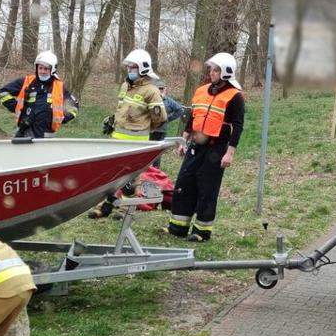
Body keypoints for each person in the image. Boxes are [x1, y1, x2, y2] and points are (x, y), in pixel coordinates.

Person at [168, 52, 245, 242]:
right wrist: (183, 140)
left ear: (226, 73)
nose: (211, 73)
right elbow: (193, 117)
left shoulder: (235, 96)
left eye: (216, 70)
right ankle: (178, 226)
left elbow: (238, 126)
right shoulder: (202, 91)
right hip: (196, 145)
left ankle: (202, 231)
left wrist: (230, 153)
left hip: (216, 148)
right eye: (211, 69)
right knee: (184, 184)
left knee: (207, 188)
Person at [90, 49, 167, 218]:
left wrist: (144, 129)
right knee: (110, 174)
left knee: (130, 179)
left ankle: (126, 210)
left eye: (133, 68)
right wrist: (113, 121)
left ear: (143, 69)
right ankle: (106, 205)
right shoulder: (125, 86)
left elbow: (160, 118)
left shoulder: (151, 91)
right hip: (117, 139)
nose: (129, 71)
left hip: (136, 142)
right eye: (129, 68)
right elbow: (122, 108)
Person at [0, 51, 79, 139]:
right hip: (24, 132)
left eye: (46, 69)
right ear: (36, 68)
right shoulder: (26, 81)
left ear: (52, 69)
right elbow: (4, 92)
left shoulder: (59, 86)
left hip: (47, 135)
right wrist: (15, 107)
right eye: (40, 68)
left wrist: (61, 118)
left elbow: (73, 106)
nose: (42, 71)